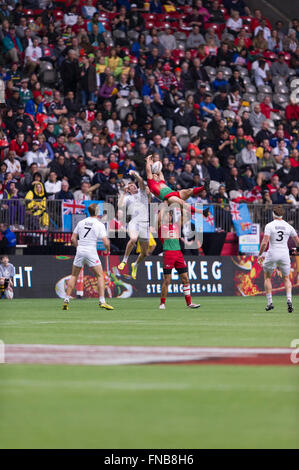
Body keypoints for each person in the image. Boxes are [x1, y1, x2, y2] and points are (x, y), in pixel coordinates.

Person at [62, 203, 113, 311]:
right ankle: (102, 301)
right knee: (99, 275)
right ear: (97, 212)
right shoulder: (99, 224)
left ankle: (66, 300)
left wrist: (78, 247)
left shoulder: (81, 222)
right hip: (91, 251)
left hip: (80, 250)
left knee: (74, 275)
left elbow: (72, 239)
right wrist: (107, 250)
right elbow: (106, 242)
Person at [258, 206, 299, 313]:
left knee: (267, 277)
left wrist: (260, 254)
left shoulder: (269, 225)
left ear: (273, 214)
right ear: (282, 215)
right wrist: (297, 250)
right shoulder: (288, 226)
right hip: (284, 254)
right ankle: (289, 300)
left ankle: (270, 302)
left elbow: (264, 242)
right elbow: (297, 241)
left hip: (273, 253)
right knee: (286, 278)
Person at [158, 207, 200, 310]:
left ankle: (189, 303)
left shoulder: (176, 226)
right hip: (168, 254)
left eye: (169, 215)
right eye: (166, 215)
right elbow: (158, 219)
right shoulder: (161, 227)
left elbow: (185, 216)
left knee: (185, 278)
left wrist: (182, 207)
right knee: (167, 280)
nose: (167, 216)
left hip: (178, 254)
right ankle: (162, 303)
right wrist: (165, 204)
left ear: (171, 216)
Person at [118, 170, 150, 280]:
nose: (134, 186)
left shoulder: (142, 193)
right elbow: (120, 205)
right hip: (134, 222)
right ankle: (124, 261)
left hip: (144, 223)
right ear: (129, 190)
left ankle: (135, 265)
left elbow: (140, 181)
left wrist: (135, 173)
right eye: (131, 186)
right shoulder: (128, 198)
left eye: (134, 185)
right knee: (133, 239)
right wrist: (123, 193)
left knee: (145, 253)